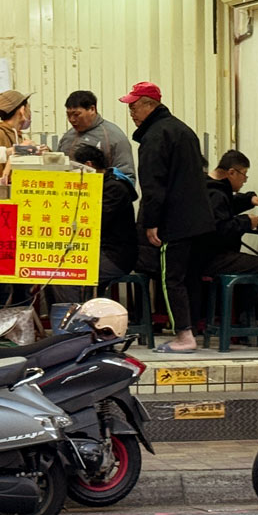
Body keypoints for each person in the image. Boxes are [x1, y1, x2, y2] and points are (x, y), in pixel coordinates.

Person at [122, 81, 213, 353]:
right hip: (198, 220)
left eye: (134, 106)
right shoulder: (183, 130)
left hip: (174, 221)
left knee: (169, 278)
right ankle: (192, 330)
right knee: (188, 278)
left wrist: (151, 223)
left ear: (151, 104)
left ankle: (184, 337)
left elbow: (153, 186)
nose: (131, 112)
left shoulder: (155, 136)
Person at [50, 144, 139, 304]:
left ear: (88, 165)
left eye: (75, 168)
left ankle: (74, 325)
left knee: (63, 274)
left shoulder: (114, 189)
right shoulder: (100, 185)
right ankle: (78, 319)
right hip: (100, 251)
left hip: (115, 256)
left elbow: (95, 222)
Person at [201, 150, 258, 321]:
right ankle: (255, 323)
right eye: (244, 175)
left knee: (249, 264)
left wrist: (249, 199)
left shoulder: (208, 186)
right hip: (210, 256)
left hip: (201, 254)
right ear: (231, 172)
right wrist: (246, 222)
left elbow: (227, 206)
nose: (244, 180)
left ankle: (245, 322)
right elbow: (219, 228)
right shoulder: (216, 194)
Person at [58, 90, 135, 177]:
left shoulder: (113, 137)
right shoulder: (68, 136)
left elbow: (126, 177)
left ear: (92, 109)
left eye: (76, 114)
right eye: (68, 115)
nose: (72, 119)